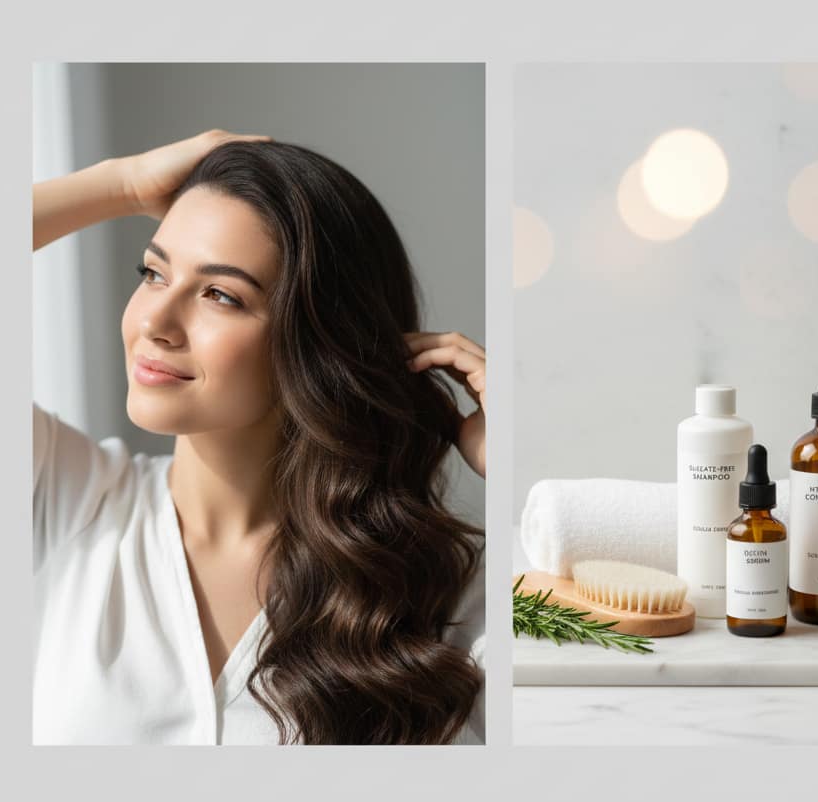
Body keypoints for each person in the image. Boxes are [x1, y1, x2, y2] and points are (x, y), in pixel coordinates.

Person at [32, 130, 486, 745]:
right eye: (154, 272)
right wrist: (123, 184)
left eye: (220, 294)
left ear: (322, 343)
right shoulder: (61, 498)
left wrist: (513, 469)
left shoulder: (441, 586)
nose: (155, 324)